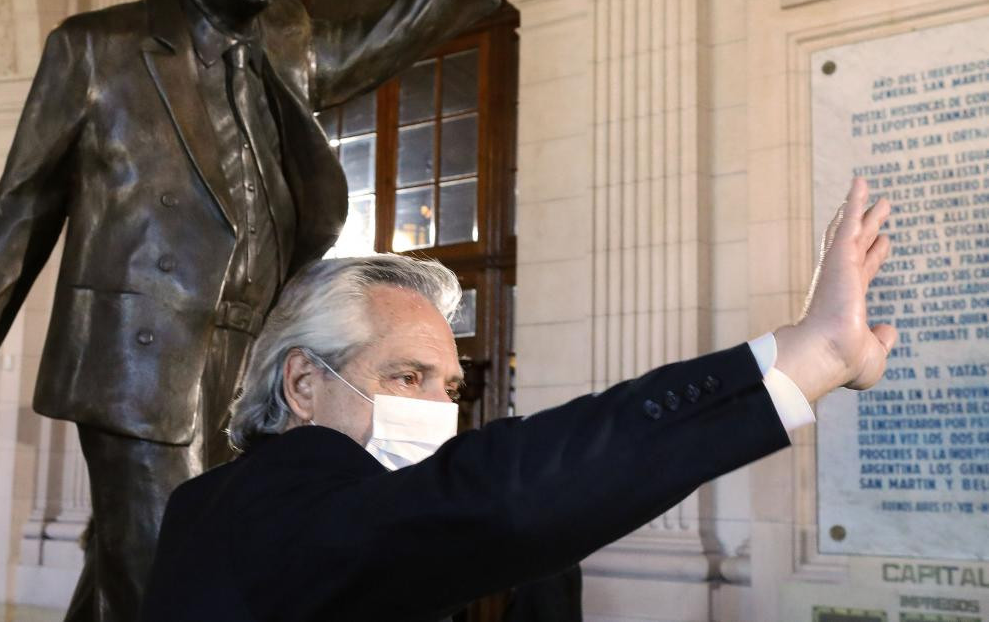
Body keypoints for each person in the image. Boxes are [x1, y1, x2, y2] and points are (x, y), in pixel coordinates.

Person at [0, 0, 586, 621]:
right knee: (169, 558)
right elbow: (26, 199)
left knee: (162, 548)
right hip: (140, 355)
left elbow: (384, 39)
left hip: (255, 350)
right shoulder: (100, 47)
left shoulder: (284, 40)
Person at [140, 178, 897, 622]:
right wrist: (810, 357)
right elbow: (497, 496)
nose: (439, 408)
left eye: (451, 387)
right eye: (407, 378)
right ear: (304, 384)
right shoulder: (243, 508)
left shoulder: (440, 527)